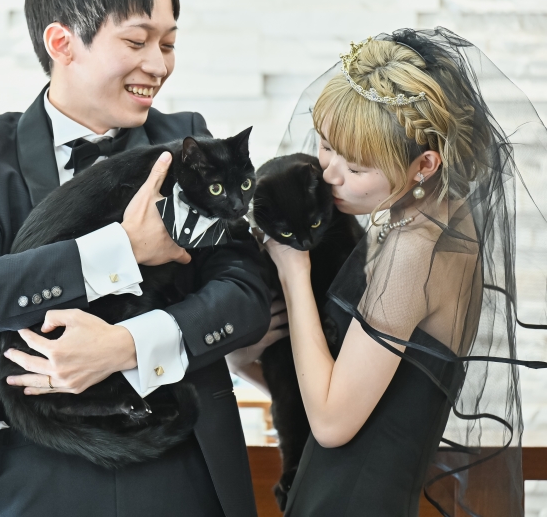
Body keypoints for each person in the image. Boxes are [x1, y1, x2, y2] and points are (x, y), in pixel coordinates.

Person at [0, 0, 275, 517]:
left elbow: (245, 297)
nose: (159, 65)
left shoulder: (188, 141)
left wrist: (128, 346)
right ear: (62, 42)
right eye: (137, 41)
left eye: (169, 44)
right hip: (24, 463)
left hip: (179, 461)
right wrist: (123, 249)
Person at [233, 28, 547, 516]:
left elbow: (332, 423)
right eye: (326, 146)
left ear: (425, 163)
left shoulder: (415, 250)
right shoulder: (436, 218)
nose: (330, 174)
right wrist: (245, 365)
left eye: (356, 168)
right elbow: (358, 389)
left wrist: (293, 271)